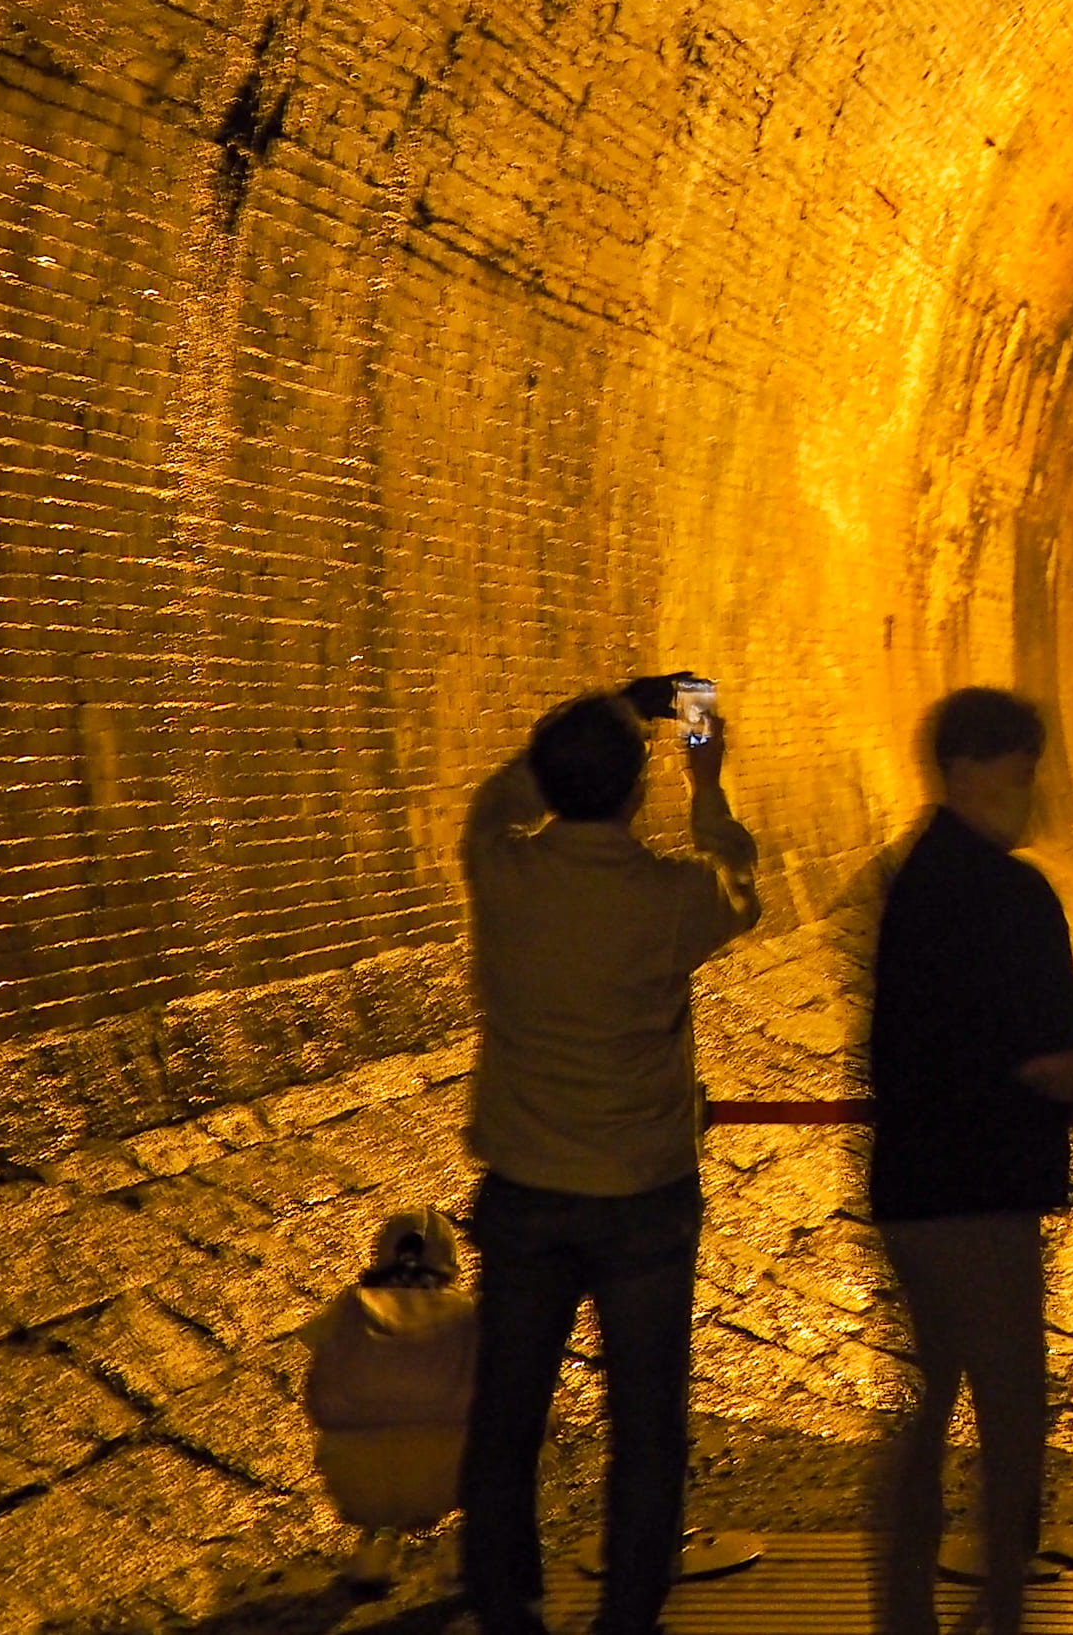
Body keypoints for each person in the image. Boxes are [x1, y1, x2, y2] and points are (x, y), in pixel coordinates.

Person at [457, 677, 764, 1635]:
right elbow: (738, 882)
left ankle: (507, 1606)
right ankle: (628, 1614)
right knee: (647, 1423)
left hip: (525, 1189)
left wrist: (610, 720)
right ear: (639, 792)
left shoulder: (500, 871)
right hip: (642, 1194)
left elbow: (498, 800)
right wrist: (703, 770)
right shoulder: (674, 900)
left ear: (547, 784)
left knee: (505, 1415)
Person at [865, 688, 1073, 1635]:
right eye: (1022, 770)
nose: (1031, 789)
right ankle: (1001, 1604)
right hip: (984, 1192)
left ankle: (905, 1610)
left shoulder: (910, 878)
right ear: (969, 770)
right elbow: (1049, 1058)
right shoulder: (1014, 896)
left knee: (927, 1407)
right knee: (1011, 1409)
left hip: (909, 1187)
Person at [298, 1208, 476, 1594]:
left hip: (359, 1482)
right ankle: (467, 1548)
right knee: (527, 1428)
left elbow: (318, 1398)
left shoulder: (350, 1308)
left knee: (366, 1445)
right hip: (450, 1478)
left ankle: (376, 1546)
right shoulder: (468, 1314)